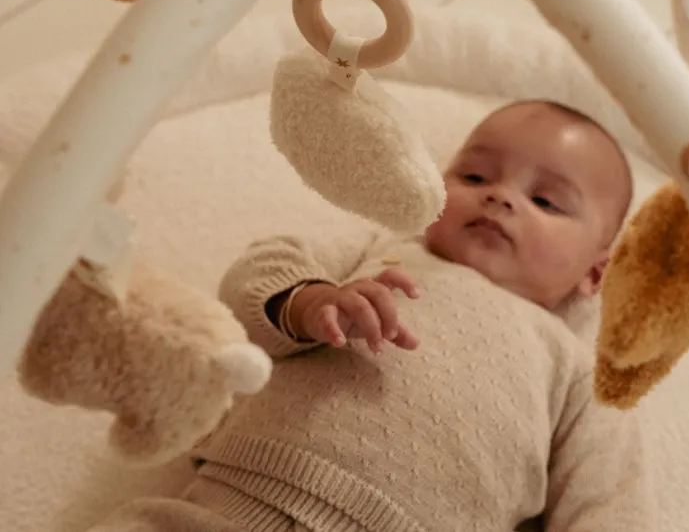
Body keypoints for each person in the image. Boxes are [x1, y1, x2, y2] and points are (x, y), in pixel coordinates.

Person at [90, 100, 653, 532]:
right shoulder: (382, 251)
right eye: (475, 177)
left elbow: (606, 502)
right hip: (232, 499)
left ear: (594, 273)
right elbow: (256, 273)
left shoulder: (578, 370)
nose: (500, 197)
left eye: (546, 201)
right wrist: (307, 302)